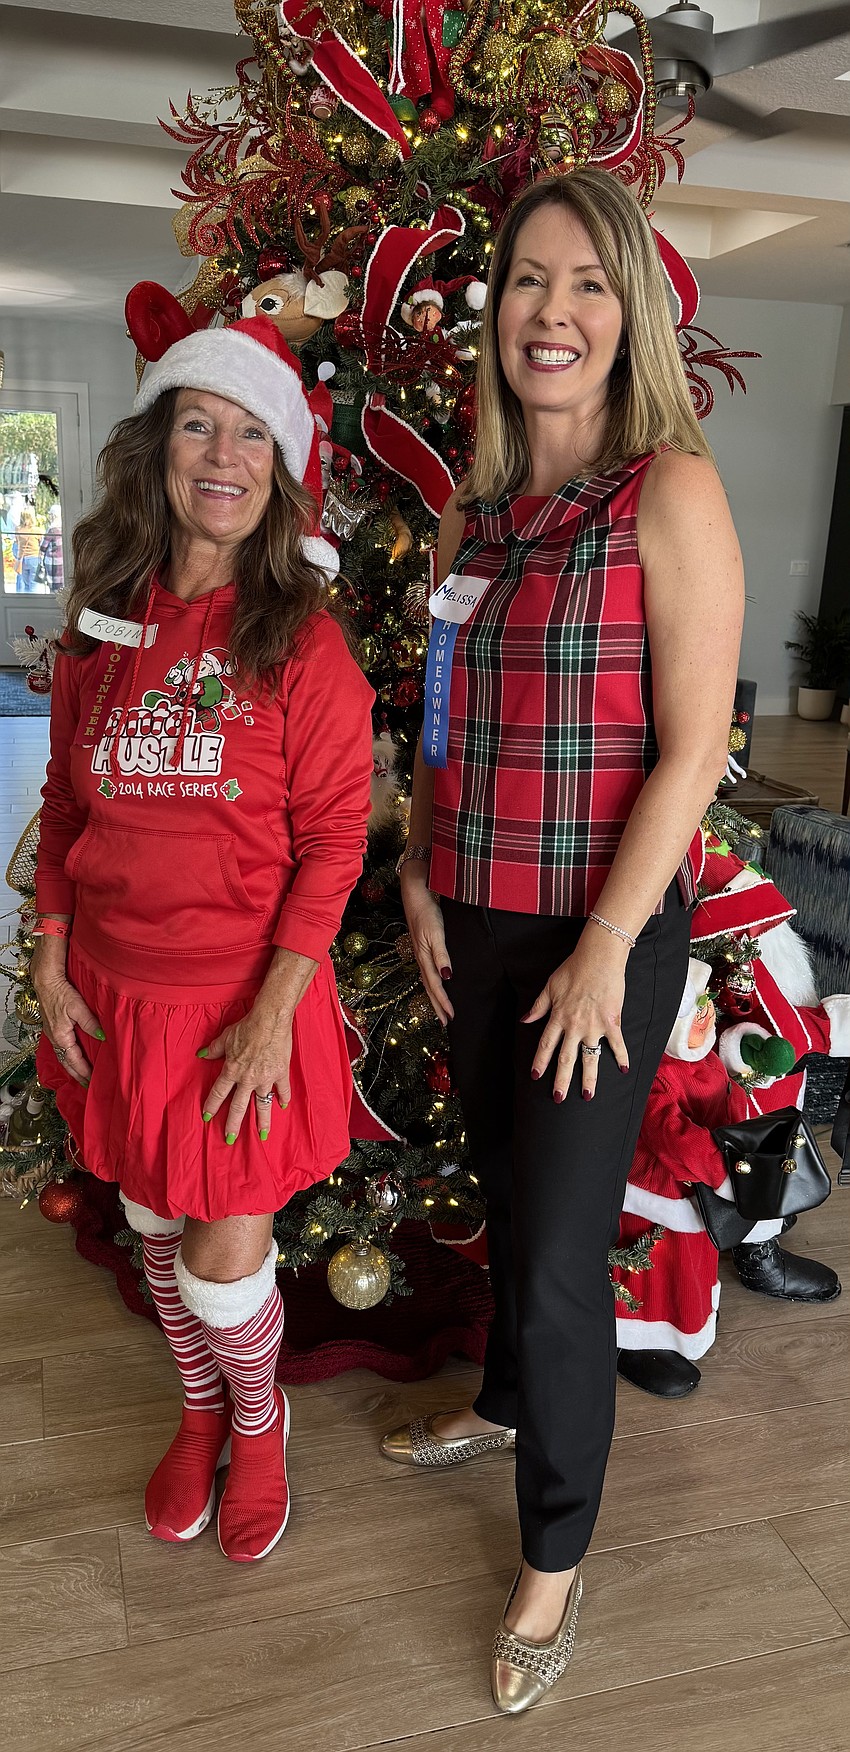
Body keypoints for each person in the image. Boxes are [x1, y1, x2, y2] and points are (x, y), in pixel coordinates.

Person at [381, 168, 744, 1713]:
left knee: (552, 1259)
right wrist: (413, 861)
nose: (552, 312)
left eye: (584, 283)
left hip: (600, 934)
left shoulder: (668, 492)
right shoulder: (476, 513)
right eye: (528, 281)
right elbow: (446, 728)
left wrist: (606, 947)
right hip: (472, 914)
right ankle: (506, 1407)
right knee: (512, 1199)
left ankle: (551, 1559)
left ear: (627, 314)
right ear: (498, 317)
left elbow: (689, 747)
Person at [32, 309, 374, 1563]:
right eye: (197, 422)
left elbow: (337, 844)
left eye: (248, 434)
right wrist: (50, 948)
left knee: (228, 1265)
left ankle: (260, 1420)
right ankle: (198, 1412)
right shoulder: (106, 625)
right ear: (159, 445)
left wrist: (277, 1013)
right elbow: (68, 805)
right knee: (160, 1235)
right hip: (118, 998)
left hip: (241, 1010)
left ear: (277, 470)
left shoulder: (304, 645)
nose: (220, 454)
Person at [38, 505, 63, 591]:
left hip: (53, 562)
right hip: (62, 561)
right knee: (62, 587)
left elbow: (43, 547)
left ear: (53, 516)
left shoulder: (52, 530)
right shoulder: (64, 527)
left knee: (54, 589)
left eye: (50, 515)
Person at [14, 507, 40, 590]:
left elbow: (17, 542)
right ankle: (34, 602)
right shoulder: (37, 530)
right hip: (34, 558)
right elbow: (41, 543)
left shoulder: (18, 529)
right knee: (33, 584)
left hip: (22, 559)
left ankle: (26, 602)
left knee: (26, 584)